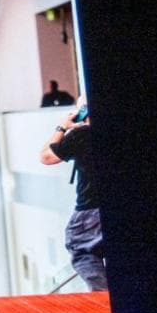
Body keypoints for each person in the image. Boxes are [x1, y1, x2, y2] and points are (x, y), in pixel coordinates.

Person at [41, 102, 104, 291]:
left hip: (91, 210)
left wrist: (63, 127)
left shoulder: (83, 135)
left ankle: (103, 302)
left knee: (80, 246)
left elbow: (46, 157)